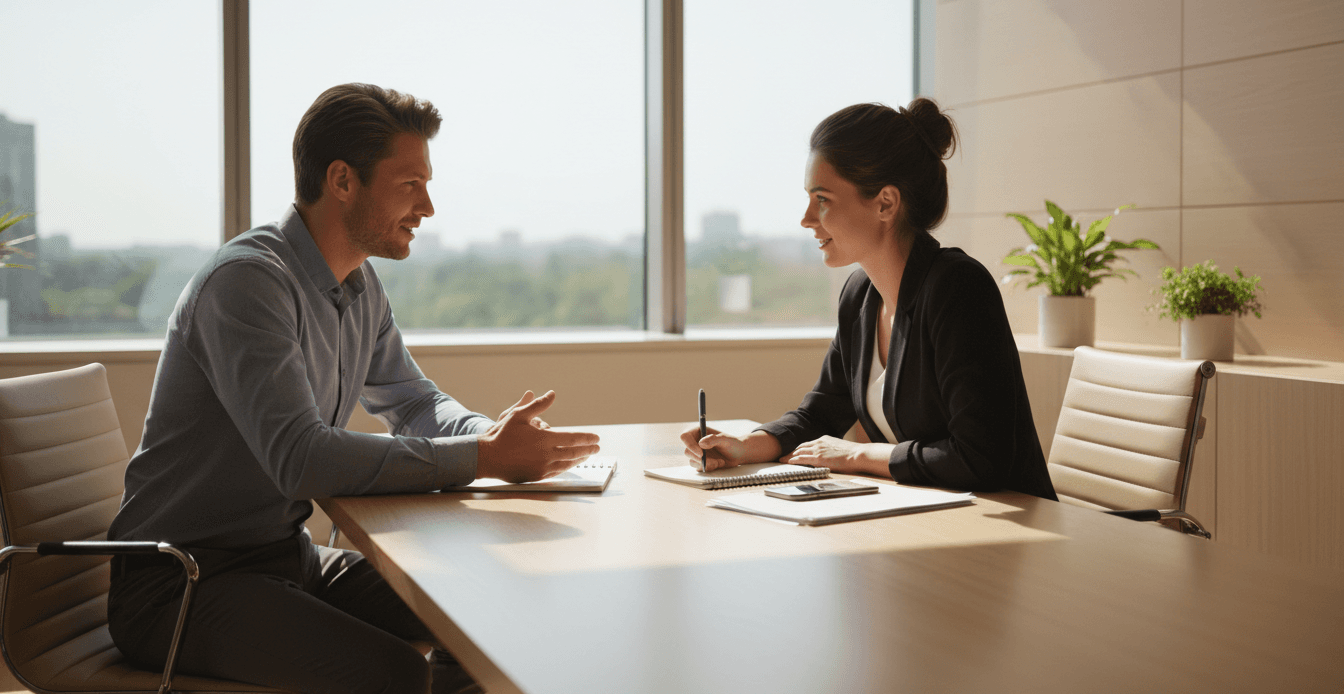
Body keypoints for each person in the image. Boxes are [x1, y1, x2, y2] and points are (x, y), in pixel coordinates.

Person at [107, 83, 601, 694]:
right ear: (343, 181)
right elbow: (301, 457)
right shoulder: (249, 284)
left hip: (287, 559)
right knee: (394, 674)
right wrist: (484, 458)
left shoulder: (359, 284)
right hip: (183, 583)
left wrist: (488, 435)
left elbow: (414, 401)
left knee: (486, 614)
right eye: (410, 185)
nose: (427, 207)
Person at [681, 99, 1056, 500]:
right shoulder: (860, 294)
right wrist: (745, 446)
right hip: (928, 521)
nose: (807, 218)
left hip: (1013, 532)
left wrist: (860, 454)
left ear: (885, 203)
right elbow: (822, 410)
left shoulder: (958, 288)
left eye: (822, 199)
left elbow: (980, 457)